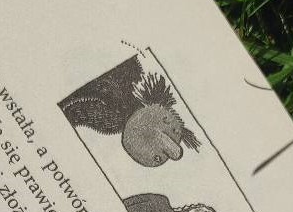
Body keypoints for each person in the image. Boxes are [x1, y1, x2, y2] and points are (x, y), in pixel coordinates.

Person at [59, 56, 201, 167]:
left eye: (158, 157)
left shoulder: (111, 121)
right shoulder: (111, 120)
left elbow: (71, 114)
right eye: (174, 130)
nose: (169, 148)